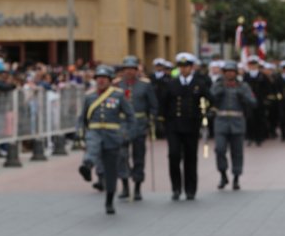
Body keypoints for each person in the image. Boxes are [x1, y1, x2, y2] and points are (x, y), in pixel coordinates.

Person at [78, 65, 135, 214]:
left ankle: (109, 200)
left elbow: (130, 116)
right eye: (98, 78)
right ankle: (87, 166)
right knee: (92, 146)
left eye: (104, 78)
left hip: (112, 135)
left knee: (111, 171)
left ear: (110, 80)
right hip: (94, 131)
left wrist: (126, 134)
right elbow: (82, 118)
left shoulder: (118, 96)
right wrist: (80, 133)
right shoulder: (89, 97)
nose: (101, 81)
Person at [160, 52, 210, 200]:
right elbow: (164, 103)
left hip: (191, 125)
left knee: (190, 158)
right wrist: (160, 120)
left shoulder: (198, 83)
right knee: (174, 156)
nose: (184, 69)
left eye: (186, 66)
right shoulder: (171, 83)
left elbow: (209, 99)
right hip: (174, 126)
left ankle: (190, 189)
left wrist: (206, 112)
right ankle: (176, 188)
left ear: (192, 67)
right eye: (181, 66)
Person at [117, 55, 158, 201]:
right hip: (122, 125)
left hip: (139, 124)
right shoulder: (117, 86)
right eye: (127, 69)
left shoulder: (145, 85)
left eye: (132, 69)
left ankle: (138, 187)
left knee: (138, 156)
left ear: (137, 70)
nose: (129, 72)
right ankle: (125, 185)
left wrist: (151, 120)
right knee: (121, 156)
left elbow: (153, 105)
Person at [210, 61, 256, 190]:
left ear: (236, 73)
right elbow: (210, 97)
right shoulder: (218, 85)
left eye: (232, 71)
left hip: (237, 122)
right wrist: (219, 91)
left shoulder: (243, 86)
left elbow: (253, 102)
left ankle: (236, 177)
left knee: (237, 152)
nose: (230, 74)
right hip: (221, 121)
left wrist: (243, 97)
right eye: (227, 72)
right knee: (219, 149)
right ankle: (223, 174)